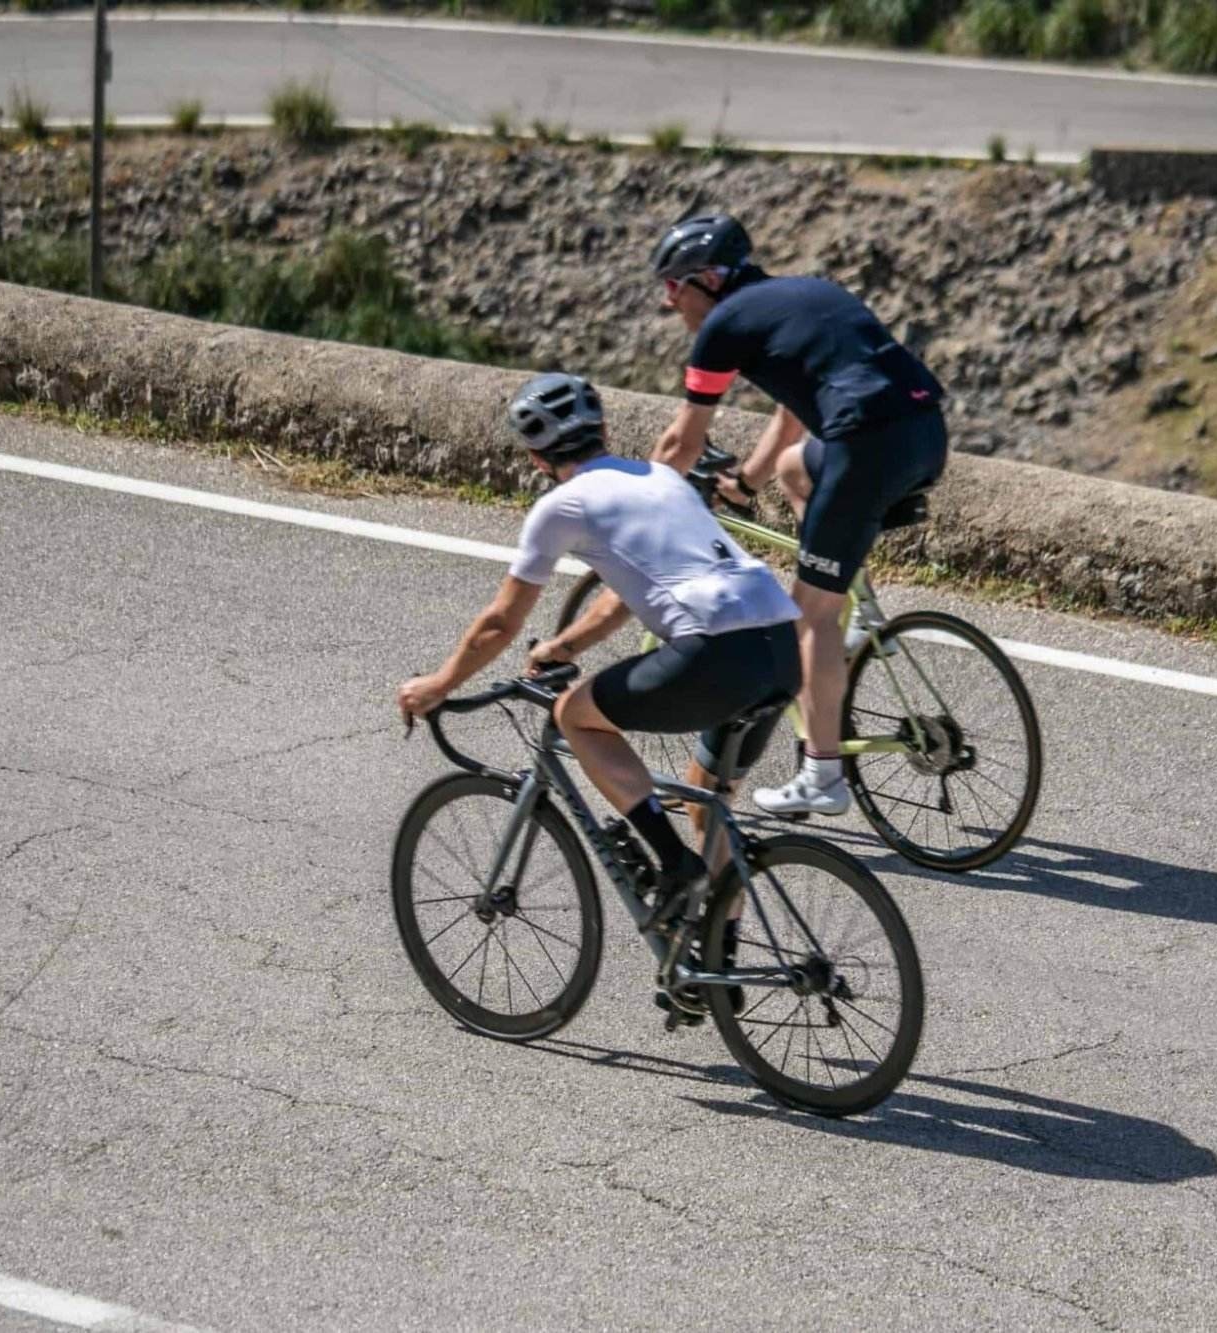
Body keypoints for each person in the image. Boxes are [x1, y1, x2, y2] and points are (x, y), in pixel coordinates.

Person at [396, 371, 801, 940]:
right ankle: (718, 961)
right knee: (707, 803)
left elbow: (501, 623)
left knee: (574, 715)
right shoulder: (661, 477)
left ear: (536, 459)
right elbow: (624, 593)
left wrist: (438, 684)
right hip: (782, 645)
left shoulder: (562, 507)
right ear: (604, 431)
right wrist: (565, 646)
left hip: (715, 650)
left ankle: (673, 864)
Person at [644, 212, 949, 819]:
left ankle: (822, 775)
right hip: (925, 433)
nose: (669, 301)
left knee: (807, 615)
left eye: (675, 285)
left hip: (866, 446)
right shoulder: (800, 294)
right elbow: (793, 413)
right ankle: (860, 609)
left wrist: (639, 506)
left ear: (709, 279)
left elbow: (682, 442)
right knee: (794, 468)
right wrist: (745, 483)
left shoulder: (724, 325)